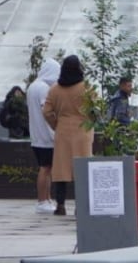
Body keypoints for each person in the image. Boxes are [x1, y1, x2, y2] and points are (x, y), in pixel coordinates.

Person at [43, 55, 93, 216]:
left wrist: (56, 124)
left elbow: (47, 111)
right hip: (83, 131)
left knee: (61, 169)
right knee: (82, 169)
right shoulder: (87, 88)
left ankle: (61, 205)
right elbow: (97, 110)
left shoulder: (55, 89)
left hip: (63, 131)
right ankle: (81, 206)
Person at [27, 58, 60, 214]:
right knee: (45, 169)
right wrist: (55, 128)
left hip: (36, 135)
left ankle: (46, 199)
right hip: (46, 136)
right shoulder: (43, 88)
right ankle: (43, 201)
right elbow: (46, 110)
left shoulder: (33, 86)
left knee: (45, 168)